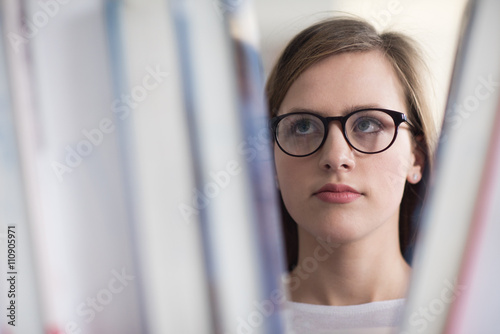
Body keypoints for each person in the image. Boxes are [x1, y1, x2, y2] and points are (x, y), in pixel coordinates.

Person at [266, 16, 439, 332]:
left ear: (417, 157)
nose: (335, 157)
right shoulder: (219, 319)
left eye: (368, 124)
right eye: (303, 126)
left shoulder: (471, 316)